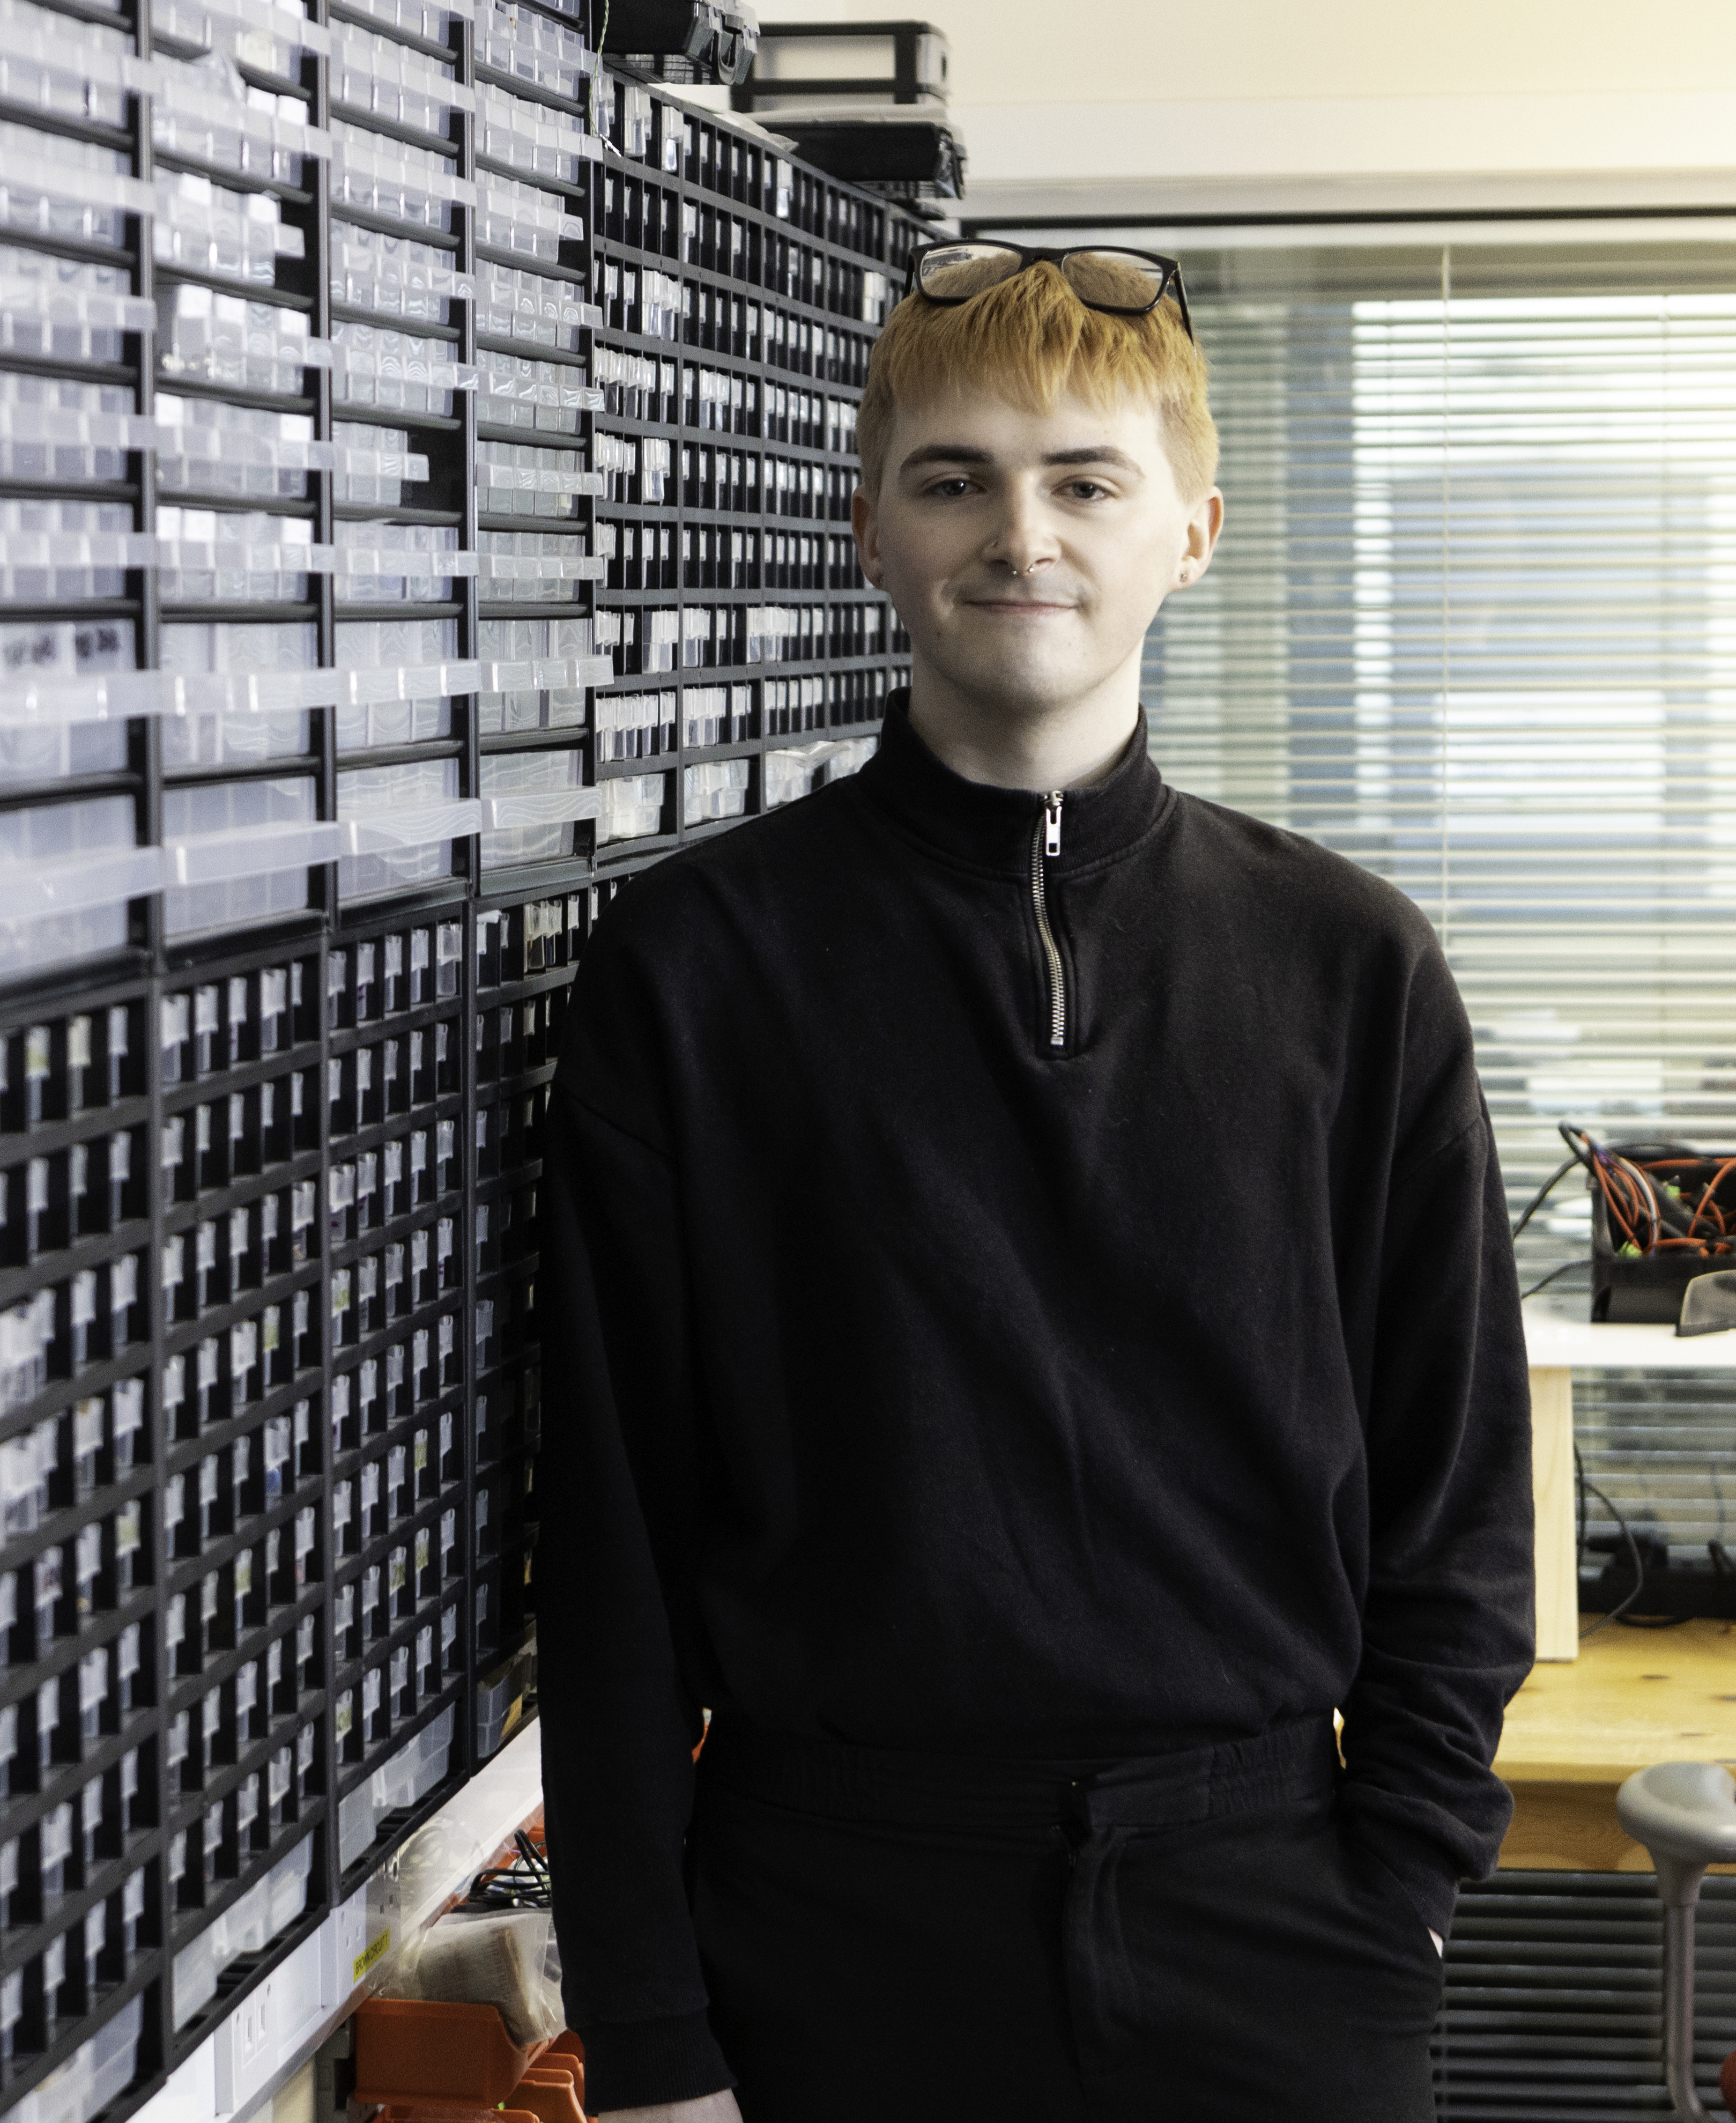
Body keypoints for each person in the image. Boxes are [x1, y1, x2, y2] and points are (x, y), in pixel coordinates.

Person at [535, 241, 1536, 2123]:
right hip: (824, 1924)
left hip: (1275, 1924)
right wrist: (649, 2033)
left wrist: (1394, 1890)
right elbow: (605, 1554)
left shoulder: (1349, 966)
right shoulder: (697, 965)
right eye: (954, 477)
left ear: (1193, 531)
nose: (1022, 533)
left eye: (1084, 480)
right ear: (867, 529)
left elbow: (1456, 1502)